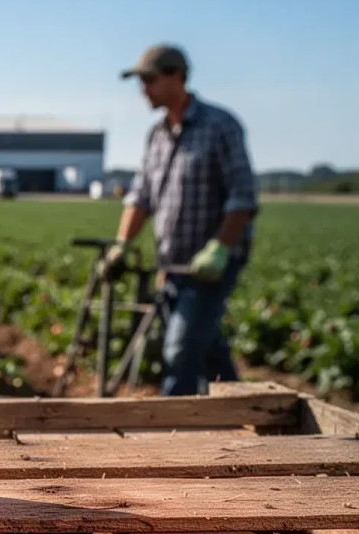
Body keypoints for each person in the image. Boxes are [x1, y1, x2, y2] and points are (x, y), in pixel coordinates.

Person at [102, 43, 260, 396]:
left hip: (210, 266)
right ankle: (247, 413)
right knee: (207, 347)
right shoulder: (157, 135)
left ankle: (173, 438)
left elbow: (242, 196)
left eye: (150, 80)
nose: (144, 89)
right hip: (172, 265)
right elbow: (140, 197)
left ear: (178, 77)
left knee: (180, 350)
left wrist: (220, 248)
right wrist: (122, 245)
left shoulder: (220, 126)